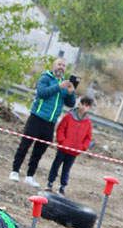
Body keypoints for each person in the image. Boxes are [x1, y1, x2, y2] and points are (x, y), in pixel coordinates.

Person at [10, 58, 77, 187]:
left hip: (50, 123)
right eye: (59, 64)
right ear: (53, 66)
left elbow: (71, 104)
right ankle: (15, 171)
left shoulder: (65, 84)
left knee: (39, 151)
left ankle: (30, 175)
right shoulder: (46, 78)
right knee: (24, 146)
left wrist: (71, 93)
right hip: (36, 118)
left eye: (63, 65)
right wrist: (58, 87)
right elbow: (42, 93)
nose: (61, 67)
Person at [46, 96, 93, 196]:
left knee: (66, 169)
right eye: (83, 104)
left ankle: (62, 187)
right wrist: (62, 141)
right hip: (63, 148)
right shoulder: (69, 116)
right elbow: (60, 129)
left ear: (89, 108)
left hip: (74, 151)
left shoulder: (88, 122)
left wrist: (82, 147)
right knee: (56, 165)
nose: (84, 107)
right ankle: (50, 183)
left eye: (87, 106)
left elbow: (88, 137)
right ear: (79, 104)